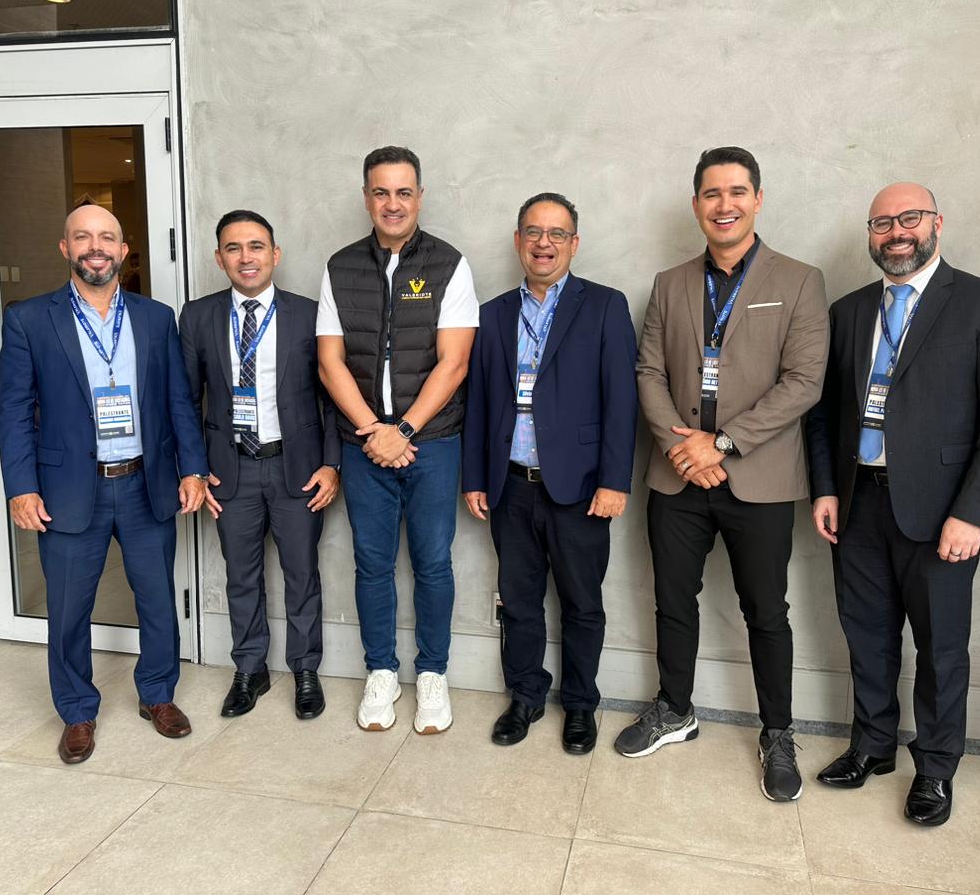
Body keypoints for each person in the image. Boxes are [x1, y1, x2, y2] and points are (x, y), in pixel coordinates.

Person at [805, 183, 980, 827]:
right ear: (870, 233)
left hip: (943, 514)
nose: (896, 232)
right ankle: (872, 746)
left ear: (937, 222)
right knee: (867, 635)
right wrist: (825, 488)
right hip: (858, 505)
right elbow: (822, 413)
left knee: (940, 649)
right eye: (882, 223)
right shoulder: (849, 311)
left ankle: (934, 767)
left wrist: (974, 512)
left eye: (910, 218)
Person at [616, 146, 828, 804]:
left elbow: (804, 382)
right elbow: (649, 371)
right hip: (677, 476)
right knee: (672, 601)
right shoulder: (670, 283)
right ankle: (675, 709)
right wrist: (685, 449)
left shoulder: (800, 281)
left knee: (766, 611)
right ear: (696, 205)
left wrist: (725, 445)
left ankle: (778, 733)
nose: (724, 204)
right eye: (712, 193)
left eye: (737, 192)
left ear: (757, 200)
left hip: (758, 478)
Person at [0, 204, 208, 765]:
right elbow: (13, 409)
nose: (96, 247)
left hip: (145, 484)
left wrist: (191, 468)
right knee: (69, 609)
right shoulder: (29, 320)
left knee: (157, 600)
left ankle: (157, 694)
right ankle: (77, 711)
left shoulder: (156, 318)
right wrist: (20, 486)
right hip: (68, 489)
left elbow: (179, 401)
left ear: (123, 249)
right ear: (65, 248)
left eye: (107, 237)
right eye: (83, 237)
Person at [462, 192, 637, 754]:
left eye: (557, 233)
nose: (544, 243)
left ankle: (580, 704)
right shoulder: (492, 314)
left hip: (581, 488)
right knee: (518, 600)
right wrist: (475, 477)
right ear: (518, 242)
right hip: (510, 483)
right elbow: (479, 401)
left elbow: (622, 400)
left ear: (574, 243)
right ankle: (525, 696)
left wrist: (615, 481)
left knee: (582, 603)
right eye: (534, 233)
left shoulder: (604, 305)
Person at [316, 146, 478, 734]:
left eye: (403, 192)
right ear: (366, 198)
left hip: (432, 444)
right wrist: (375, 432)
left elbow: (454, 363)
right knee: (371, 563)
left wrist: (403, 430)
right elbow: (330, 362)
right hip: (364, 445)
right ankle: (380, 671)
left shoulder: (450, 264)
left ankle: (432, 673)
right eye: (381, 192)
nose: (392, 203)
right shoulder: (339, 267)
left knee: (433, 563)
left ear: (420, 197)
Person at [180, 210, 341, 721]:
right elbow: (186, 400)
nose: (245, 257)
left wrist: (332, 464)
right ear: (219, 258)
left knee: (302, 573)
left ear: (275, 254)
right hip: (231, 470)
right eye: (233, 248)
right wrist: (194, 468)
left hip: (298, 469)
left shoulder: (308, 314)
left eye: (255, 246)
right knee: (241, 576)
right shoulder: (198, 316)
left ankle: (305, 668)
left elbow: (333, 397)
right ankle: (250, 669)